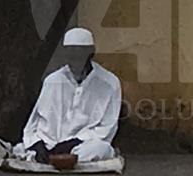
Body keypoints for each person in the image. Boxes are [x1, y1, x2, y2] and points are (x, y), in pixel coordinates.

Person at [22, 27, 122, 165]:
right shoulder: (52, 81)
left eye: (80, 53)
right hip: (49, 143)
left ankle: (60, 159)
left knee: (101, 148)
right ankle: (52, 158)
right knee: (25, 148)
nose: (76, 59)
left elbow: (107, 127)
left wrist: (74, 142)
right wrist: (37, 143)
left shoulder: (109, 83)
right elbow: (34, 121)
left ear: (91, 52)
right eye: (71, 53)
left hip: (82, 145)